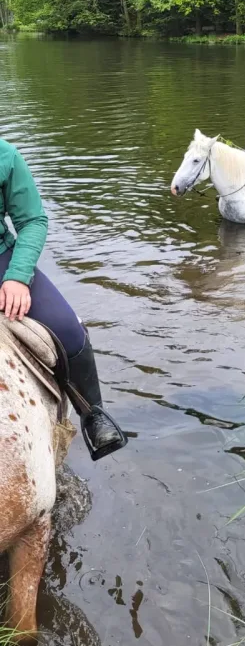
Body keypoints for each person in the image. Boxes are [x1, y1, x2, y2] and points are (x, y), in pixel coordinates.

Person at [0, 138, 127, 460]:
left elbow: (32, 221)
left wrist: (16, 277)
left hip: (2, 261)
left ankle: (93, 415)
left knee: (68, 330)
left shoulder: (5, 155)